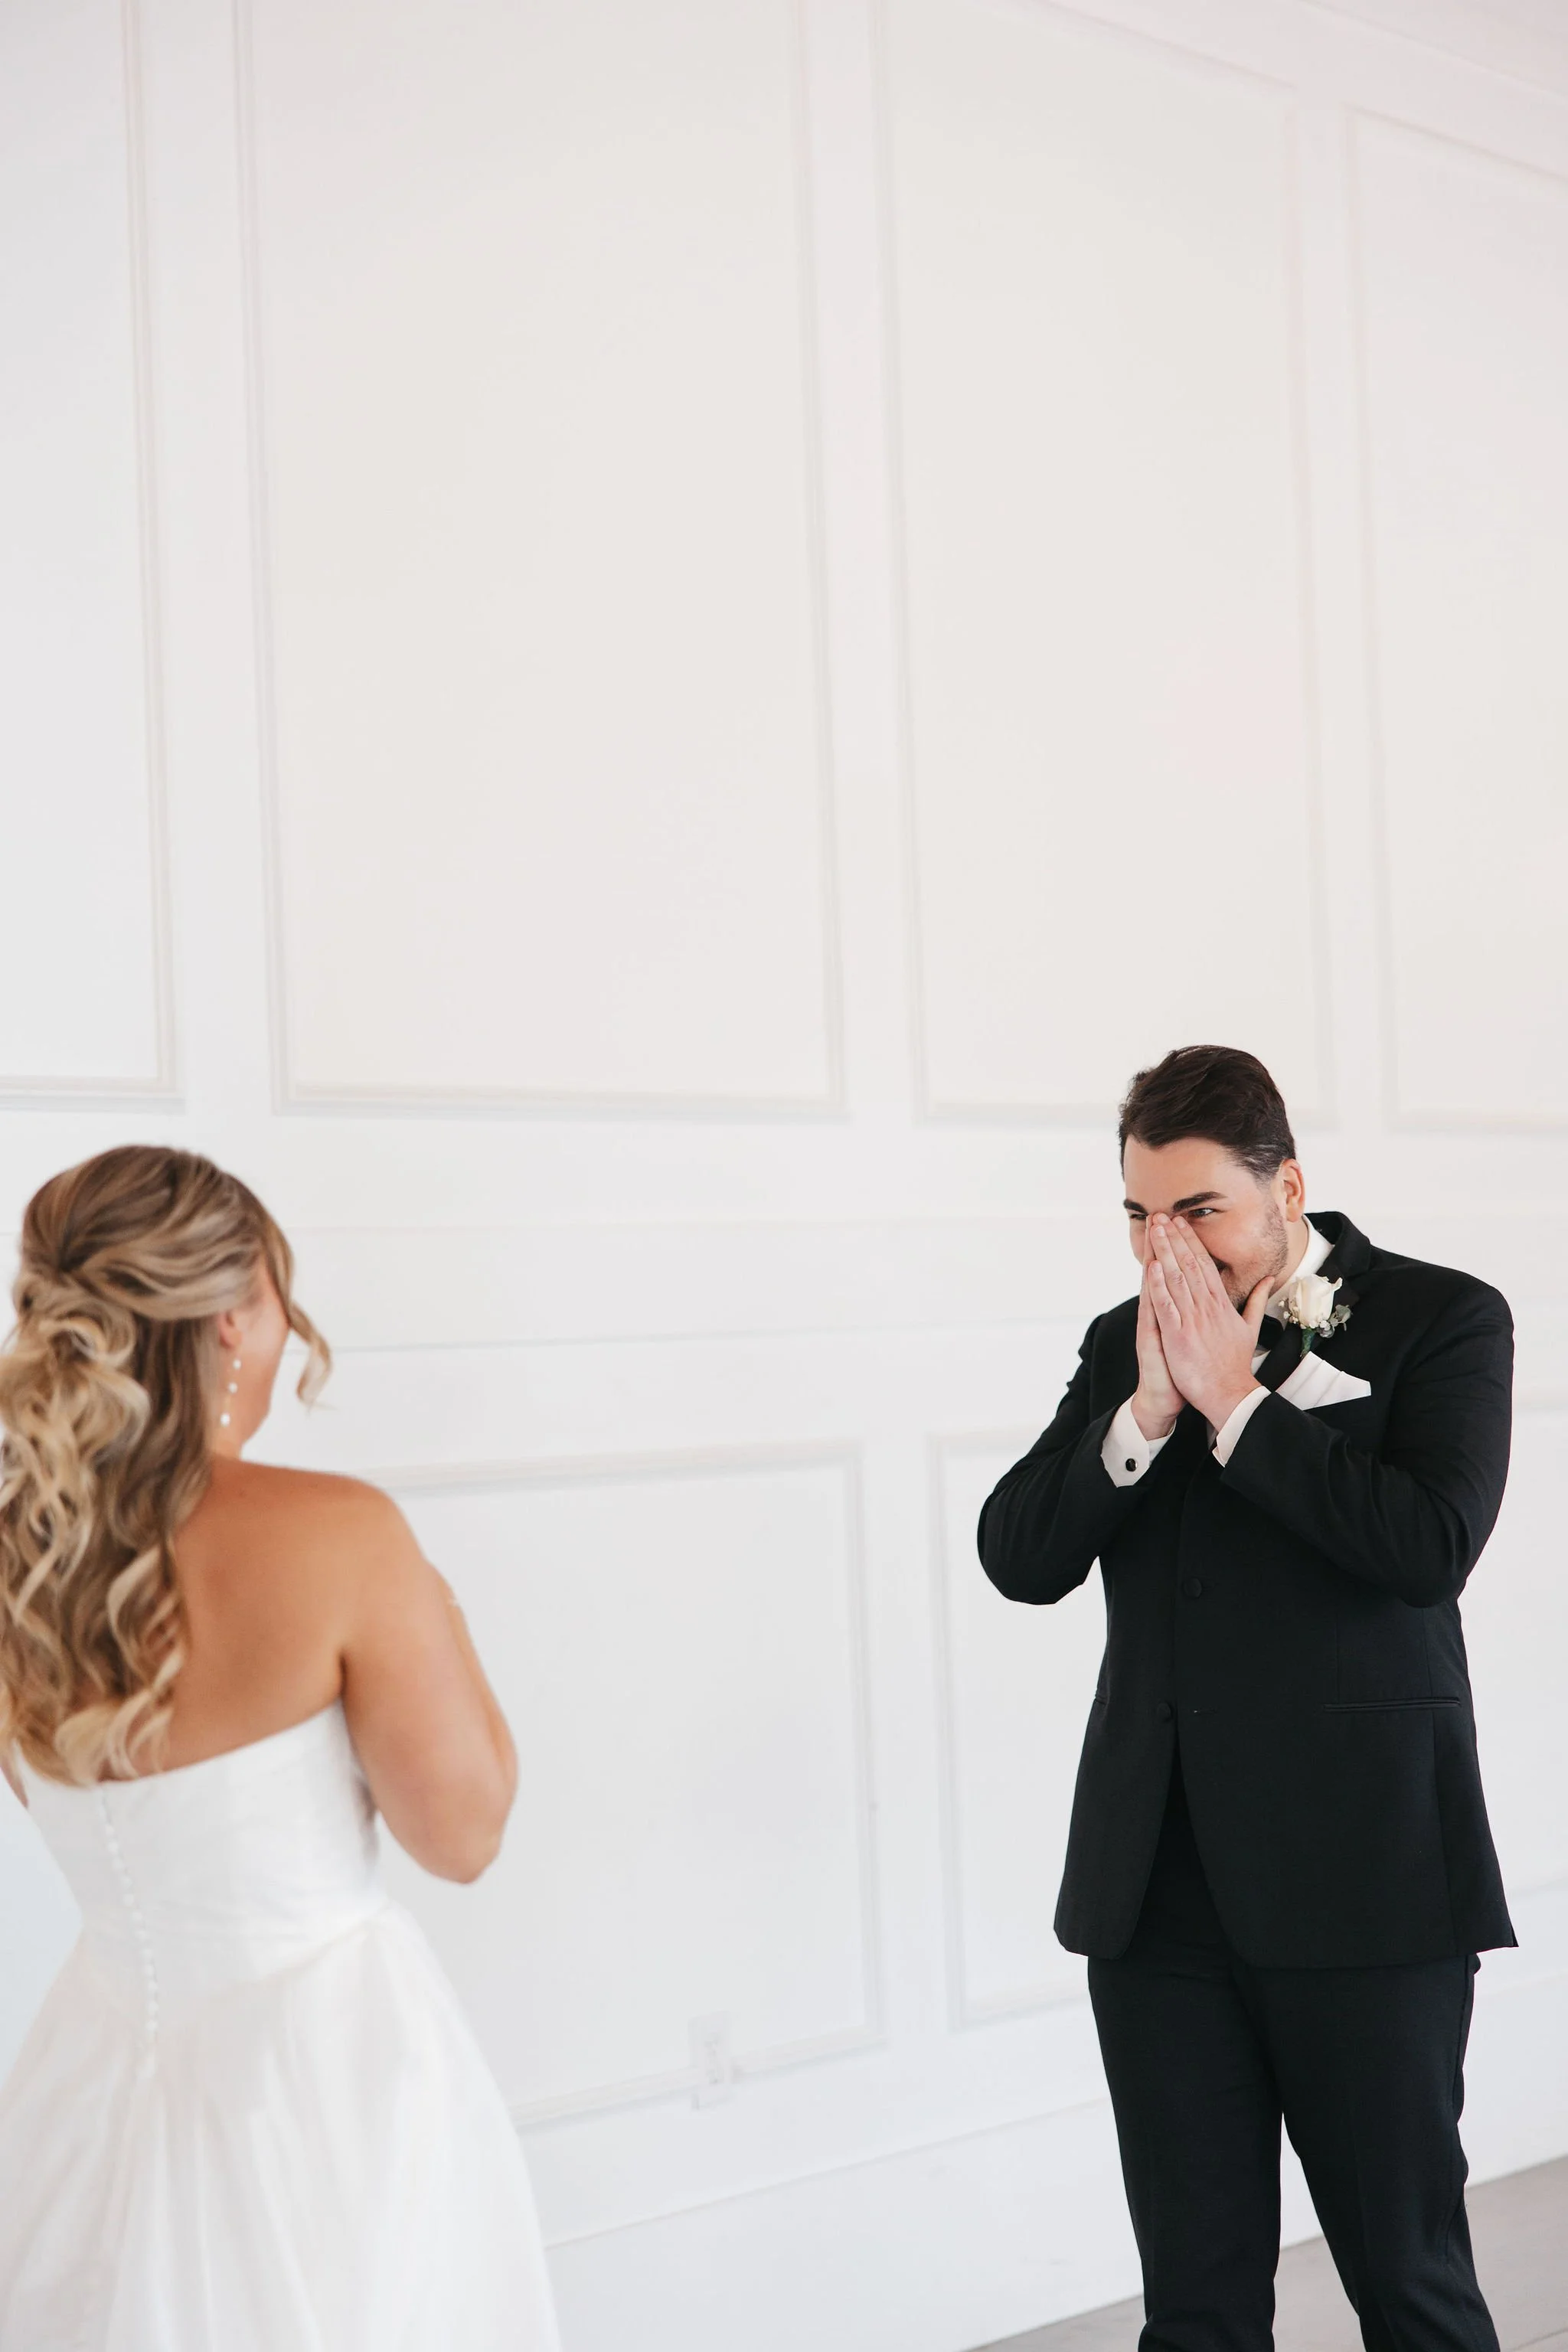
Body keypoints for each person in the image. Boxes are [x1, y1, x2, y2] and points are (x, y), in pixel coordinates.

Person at [978, 1045, 1513, 2351]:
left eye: (1198, 1210)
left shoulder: (1444, 1318)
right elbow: (1019, 1554)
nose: (1167, 1249)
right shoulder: (1122, 1343)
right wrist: (1149, 1413)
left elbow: (1427, 1546)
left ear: (1288, 1188)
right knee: (1199, 2306)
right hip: (1158, 1896)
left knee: (1410, 2285)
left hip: (1369, 1885)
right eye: (1137, 1216)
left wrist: (1236, 1399)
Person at [0, 1145, 562, 2352]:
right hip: (320, 2085)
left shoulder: (21, 1562)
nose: (287, 1324)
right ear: (228, 1325)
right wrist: (437, 1611)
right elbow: (464, 1837)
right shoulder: (342, 1538)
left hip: (89, 2083)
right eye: (269, 1293)